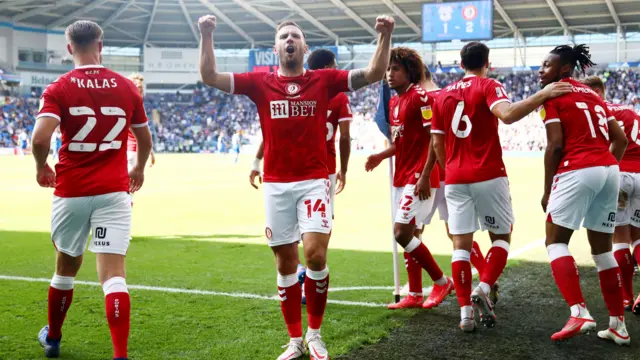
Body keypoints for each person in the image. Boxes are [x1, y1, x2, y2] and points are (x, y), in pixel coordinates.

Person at [199, 14, 394, 360]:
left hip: (314, 181)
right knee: (286, 264)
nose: (289, 40)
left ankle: (315, 334)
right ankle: (294, 341)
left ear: (305, 47)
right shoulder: (259, 82)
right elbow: (210, 76)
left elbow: (374, 73)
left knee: (315, 255)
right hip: (276, 184)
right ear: (275, 48)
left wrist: (385, 35)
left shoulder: (324, 80)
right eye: (283, 36)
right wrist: (207, 34)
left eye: (295, 36)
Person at [30, 20, 152, 359]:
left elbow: (40, 138)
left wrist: (41, 166)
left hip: (71, 192)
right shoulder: (127, 87)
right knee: (113, 277)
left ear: (70, 48)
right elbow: (144, 138)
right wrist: (138, 168)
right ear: (101, 44)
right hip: (114, 191)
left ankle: (53, 338)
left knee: (66, 269)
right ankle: (120, 355)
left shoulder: (59, 87)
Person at [431, 41, 572, 332]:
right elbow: (507, 115)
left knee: (460, 245)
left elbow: (436, 142)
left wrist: (452, 170)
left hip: (455, 178)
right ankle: (483, 287)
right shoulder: (488, 85)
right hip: (488, 173)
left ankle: (465, 315)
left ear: (460, 64)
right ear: (487, 62)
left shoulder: (441, 95)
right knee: (501, 237)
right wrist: (543, 94)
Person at [538, 44, 630, 345]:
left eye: (547, 65)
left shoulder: (552, 94)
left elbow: (554, 146)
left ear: (564, 69)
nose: (541, 70)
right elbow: (620, 139)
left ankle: (579, 312)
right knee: (603, 251)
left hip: (577, 168)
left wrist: (548, 188)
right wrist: (604, 167)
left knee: (554, 242)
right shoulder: (593, 95)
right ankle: (618, 325)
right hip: (609, 169)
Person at [251, 48, 353, 306]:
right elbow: (345, 136)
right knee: (318, 227)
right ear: (330, 66)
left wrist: (256, 160)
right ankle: (307, 276)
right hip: (323, 169)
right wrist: (345, 168)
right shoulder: (337, 95)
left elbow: (271, 130)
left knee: (296, 230)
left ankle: (301, 274)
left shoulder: (305, 88)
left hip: (300, 169)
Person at [366, 48, 453, 310]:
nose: (389, 74)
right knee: (411, 233)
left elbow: (434, 139)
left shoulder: (421, 98)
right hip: (402, 176)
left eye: (396, 69)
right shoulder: (394, 103)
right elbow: (402, 143)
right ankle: (414, 293)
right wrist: (381, 155)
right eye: (388, 69)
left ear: (410, 71)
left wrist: (426, 175)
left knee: (402, 233)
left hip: (420, 176)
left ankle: (441, 281)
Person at [583, 75, 640, 314]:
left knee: (619, 238)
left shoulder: (599, 112)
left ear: (597, 90)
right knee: (637, 238)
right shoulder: (631, 112)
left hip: (619, 176)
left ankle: (626, 298)